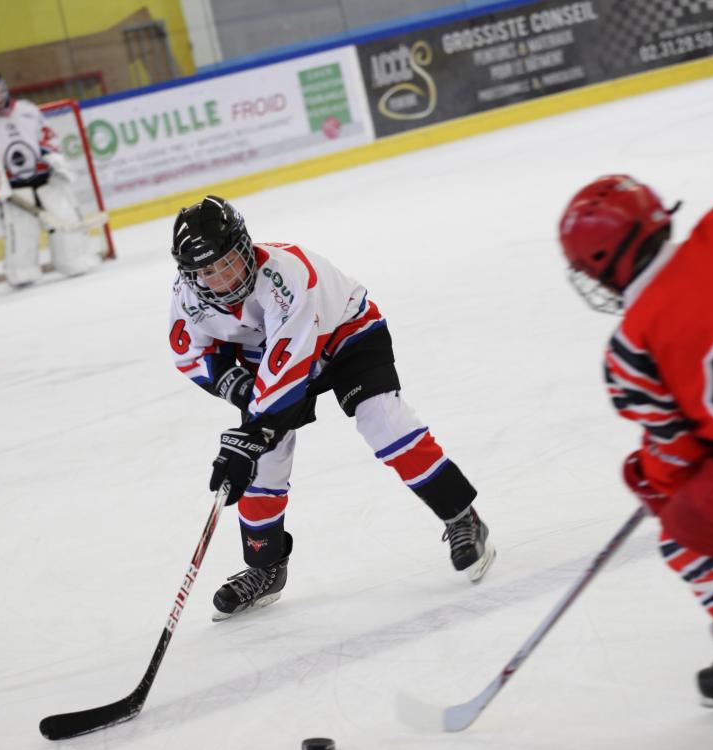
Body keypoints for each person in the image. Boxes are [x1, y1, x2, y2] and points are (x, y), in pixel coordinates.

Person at [168, 195, 496, 620]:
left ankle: (462, 515)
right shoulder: (187, 295)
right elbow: (190, 352)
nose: (221, 278)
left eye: (228, 261)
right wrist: (239, 394)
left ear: (245, 247)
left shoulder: (288, 276)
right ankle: (265, 568)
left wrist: (254, 429)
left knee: (384, 422)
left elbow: (291, 365)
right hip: (270, 356)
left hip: (345, 336)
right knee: (264, 461)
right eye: (206, 271)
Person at [558, 174, 713, 707]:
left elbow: (677, 460)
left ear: (600, 263)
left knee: (683, 530)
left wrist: (650, 479)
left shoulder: (632, 348)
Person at [0, 74, 99, 287]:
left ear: (5, 90)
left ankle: (73, 259)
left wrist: (52, 158)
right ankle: (22, 271)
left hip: (45, 178)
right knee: (20, 229)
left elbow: (47, 136)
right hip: (14, 186)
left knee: (63, 216)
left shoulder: (27, 110)